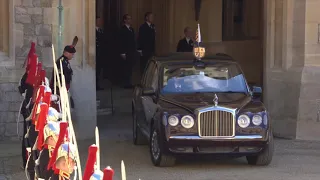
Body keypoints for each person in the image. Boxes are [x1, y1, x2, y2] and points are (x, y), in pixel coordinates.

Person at [118, 14, 140, 88]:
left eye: (130, 19)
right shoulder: (122, 29)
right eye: (128, 19)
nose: (130, 20)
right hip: (126, 52)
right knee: (126, 68)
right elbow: (121, 42)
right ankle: (125, 83)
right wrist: (122, 52)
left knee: (130, 67)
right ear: (125, 20)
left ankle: (129, 82)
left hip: (132, 51)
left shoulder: (131, 29)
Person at [96, 16, 104, 90]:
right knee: (96, 70)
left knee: (99, 70)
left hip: (100, 53)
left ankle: (98, 85)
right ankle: (95, 85)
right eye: (98, 21)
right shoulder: (93, 31)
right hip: (96, 54)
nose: (100, 22)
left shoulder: (101, 30)